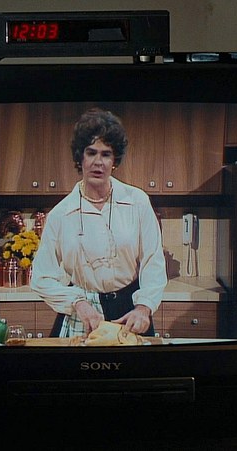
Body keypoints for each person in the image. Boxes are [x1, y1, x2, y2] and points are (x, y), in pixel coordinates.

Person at [30, 107, 167, 338]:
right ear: (80, 158)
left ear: (115, 161)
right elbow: (41, 277)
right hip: (83, 313)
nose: (98, 162)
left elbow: (153, 261)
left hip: (130, 310)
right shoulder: (61, 214)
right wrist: (77, 302)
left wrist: (144, 308)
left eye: (106, 154)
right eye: (91, 153)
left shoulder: (137, 202)